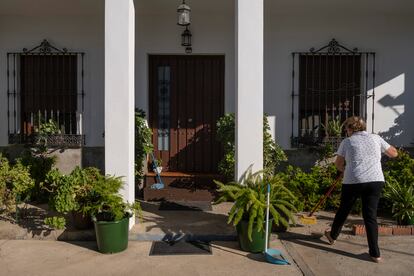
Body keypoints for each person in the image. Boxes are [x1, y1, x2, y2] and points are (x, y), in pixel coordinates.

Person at [324, 116, 398, 263]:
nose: (346, 131)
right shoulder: (376, 138)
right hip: (375, 180)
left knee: (344, 209)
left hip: (353, 181)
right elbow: (393, 153)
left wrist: (345, 169)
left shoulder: (347, 142)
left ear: (351, 128)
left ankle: (332, 236)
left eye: (346, 128)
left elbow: (338, 164)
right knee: (370, 216)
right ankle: (375, 254)